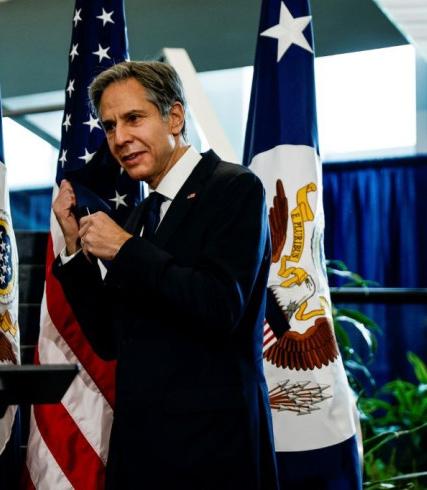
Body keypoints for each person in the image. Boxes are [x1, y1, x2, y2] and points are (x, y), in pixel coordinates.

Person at [52, 60, 279, 489]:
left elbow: (219, 306)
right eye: (110, 126)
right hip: (140, 453)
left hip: (212, 455)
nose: (119, 138)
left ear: (174, 117)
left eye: (133, 118)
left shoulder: (234, 188)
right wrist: (72, 247)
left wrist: (124, 248)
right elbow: (108, 338)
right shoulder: (142, 213)